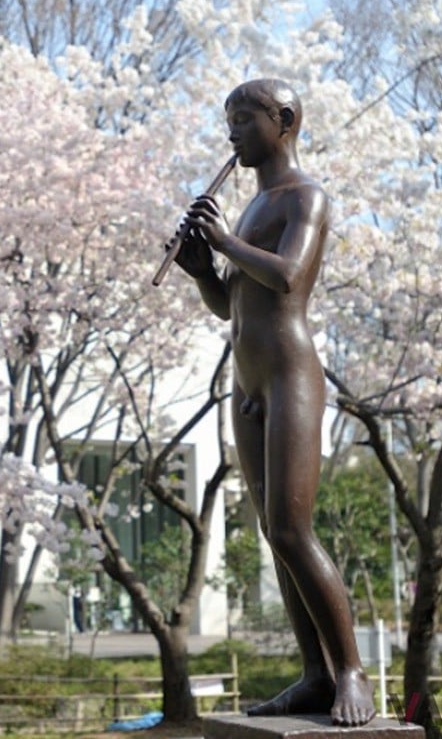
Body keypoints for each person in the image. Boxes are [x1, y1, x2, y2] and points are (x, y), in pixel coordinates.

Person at [172, 79, 376, 726]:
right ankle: (314, 674)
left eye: (243, 119)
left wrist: (227, 243)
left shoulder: (304, 198)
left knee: (293, 527)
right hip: (247, 382)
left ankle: (350, 672)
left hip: (290, 374)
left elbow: (287, 277)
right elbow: (231, 303)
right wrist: (203, 267)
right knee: (272, 534)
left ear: (283, 120)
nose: (231, 133)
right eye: (226, 120)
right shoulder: (253, 208)